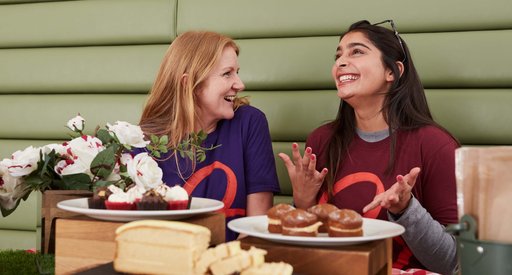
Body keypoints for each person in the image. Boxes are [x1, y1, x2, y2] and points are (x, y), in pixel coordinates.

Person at [279, 20, 459, 274]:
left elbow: (454, 262)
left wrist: (406, 209)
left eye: (357, 51)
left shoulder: (436, 145)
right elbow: (308, 248)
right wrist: (303, 202)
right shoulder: (321, 140)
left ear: (392, 72)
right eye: (338, 55)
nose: (340, 62)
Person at [137, 31, 280, 241]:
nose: (240, 84)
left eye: (237, 72)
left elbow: (256, 227)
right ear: (189, 84)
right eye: (227, 74)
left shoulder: (249, 123)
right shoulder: (143, 142)